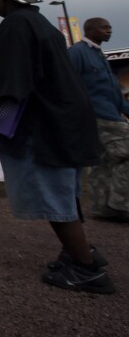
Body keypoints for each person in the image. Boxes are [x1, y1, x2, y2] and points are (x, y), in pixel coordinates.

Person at [0, 0, 113, 294]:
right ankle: (78, 251)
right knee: (65, 193)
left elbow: (7, 78)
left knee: (53, 193)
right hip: (67, 120)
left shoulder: (14, 25)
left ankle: (85, 269)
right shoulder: (42, 24)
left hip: (47, 124)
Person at [67, 17, 129, 223]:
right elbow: (67, 84)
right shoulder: (78, 53)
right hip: (99, 117)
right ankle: (120, 204)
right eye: (104, 27)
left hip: (109, 114)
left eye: (110, 27)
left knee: (102, 162)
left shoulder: (97, 54)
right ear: (90, 30)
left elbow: (112, 91)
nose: (109, 31)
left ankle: (103, 209)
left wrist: (126, 109)